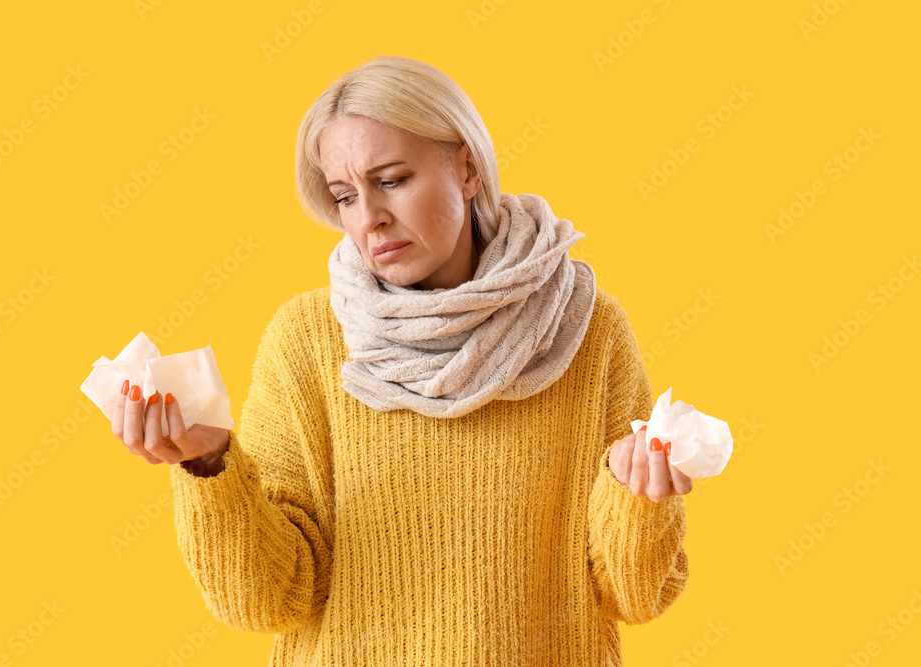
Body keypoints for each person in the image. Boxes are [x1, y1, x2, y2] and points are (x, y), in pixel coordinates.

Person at [109, 55, 693, 666]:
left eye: (391, 180)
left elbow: (635, 594)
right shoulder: (308, 339)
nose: (369, 218)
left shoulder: (583, 327)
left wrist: (640, 499)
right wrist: (210, 468)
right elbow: (269, 603)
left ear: (467, 168)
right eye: (345, 196)